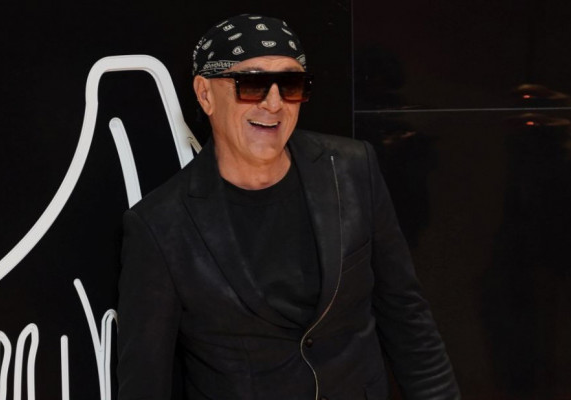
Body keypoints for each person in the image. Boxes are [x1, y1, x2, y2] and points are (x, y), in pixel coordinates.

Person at [117, 14, 460, 400]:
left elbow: (407, 318)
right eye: (252, 84)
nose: (274, 103)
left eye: (291, 84)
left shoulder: (351, 169)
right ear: (205, 93)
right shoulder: (160, 226)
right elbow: (145, 382)